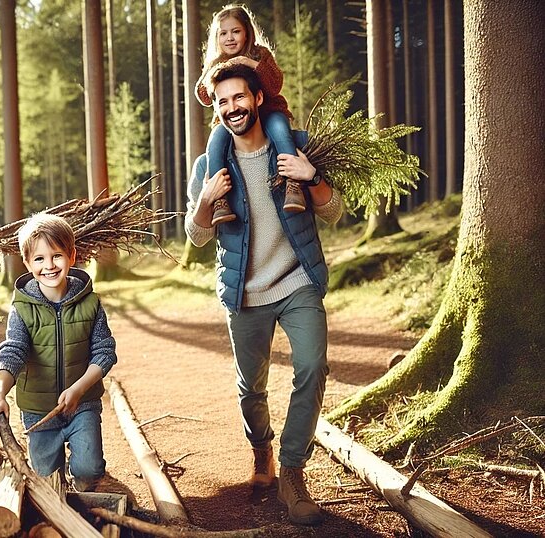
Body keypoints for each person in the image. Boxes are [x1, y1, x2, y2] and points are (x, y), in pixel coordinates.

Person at [186, 62, 343, 526]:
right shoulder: (207, 166)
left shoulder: (294, 145)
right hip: (245, 294)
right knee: (251, 388)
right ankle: (262, 453)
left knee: (313, 366)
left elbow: (334, 213)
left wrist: (311, 176)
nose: (232, 107)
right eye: (223, 102)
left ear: (257, 98)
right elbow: (196, 239)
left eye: (239, 97)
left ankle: (293, 473)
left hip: (297, 281)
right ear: (216, 110)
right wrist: (205, 199)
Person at [0, 214, 117, 492]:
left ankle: (82, 488)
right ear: (26, 263)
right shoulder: (22, 309)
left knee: (90, 468)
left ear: (72, 255)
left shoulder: (91, 303)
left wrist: (79, 389)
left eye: (56, 256)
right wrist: (0, 395)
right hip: (38, 411)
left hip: (83, 404)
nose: (49, 266)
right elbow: (12, 352)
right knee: (48, 478)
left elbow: (104, 352)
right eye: (39, 259)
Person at [194, 3, 307, 223]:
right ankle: (221, 201)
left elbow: (275, 85)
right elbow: (205, 96)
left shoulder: (259, 54)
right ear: (216, 38)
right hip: (234, 122)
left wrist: (248, 63)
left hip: (269, 111)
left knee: (281, 132)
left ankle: (293, 185)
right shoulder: (216, 63)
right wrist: (215, 70)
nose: (230, 38)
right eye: (223, 33)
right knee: (215, 142)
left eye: (236, 31)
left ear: (247, 32)